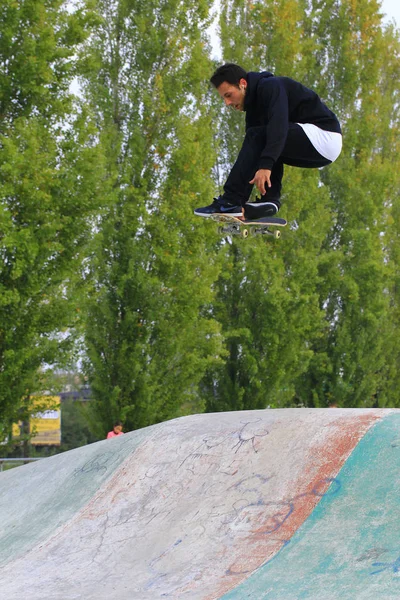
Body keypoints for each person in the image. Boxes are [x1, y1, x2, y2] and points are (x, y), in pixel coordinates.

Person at [194, 63, 342, 220]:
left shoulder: (271, 86)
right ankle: (268, 200)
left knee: (264, 136)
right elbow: (252, 156)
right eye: (224, 98)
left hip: (325, 135)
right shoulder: (253, 112)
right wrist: (242, 205)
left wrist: (266, 165)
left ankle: (230, 201)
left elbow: (279, 127)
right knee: (263, 141)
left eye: (229, 95)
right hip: (318, 146)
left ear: (243, 84)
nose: (227, 103)